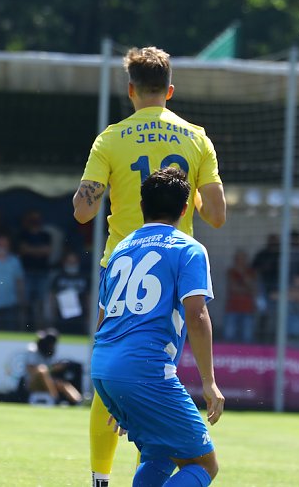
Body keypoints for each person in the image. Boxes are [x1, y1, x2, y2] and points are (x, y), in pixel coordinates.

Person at [73, 47, 226, 487]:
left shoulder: (111, 138)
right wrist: (189, 190)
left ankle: (100, 478)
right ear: (170, 91)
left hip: (120, 262)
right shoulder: (196, 137)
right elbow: (215, 215)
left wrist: (99, 190)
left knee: (113, 351)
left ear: (131, 90)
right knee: (157, 366)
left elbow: (83, 212)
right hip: (173, 267)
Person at [92, 167, 224, 486]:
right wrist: (209, 383)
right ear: (185, 209)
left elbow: (103, 317)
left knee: (161, 454)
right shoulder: (188, 248)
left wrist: (116, 388)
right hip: (144, 371)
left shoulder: (120, 249)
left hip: (104, 367)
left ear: (141, 206)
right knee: (205, 464)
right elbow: (196, 315)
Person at [24, 328, 82, 406]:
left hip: (47, 381)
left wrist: (56, 368)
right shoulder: (32, 349)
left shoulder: (50, 351)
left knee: (62, 384)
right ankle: (55, 399)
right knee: (42, 370)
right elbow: (31, 370)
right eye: (50, 344)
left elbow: (49, 369)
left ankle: (79, 402)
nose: (52, 346)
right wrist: (49, 369)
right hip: (32, 382)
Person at [17, 210, 54, 329]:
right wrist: (39, 251)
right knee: (24, 302)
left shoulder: (45, 235)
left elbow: (47, 251)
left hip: (42, 273)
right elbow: (22, 250)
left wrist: (30, 250)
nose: (35, 221)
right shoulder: (23, 234)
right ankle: (22, 329)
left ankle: (40, 329)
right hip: (27, 272)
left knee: (41, 303)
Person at [49, 250, 90, 335]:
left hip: (79, 318)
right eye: (69, 262)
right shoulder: (58, 277)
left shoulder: (84, 278)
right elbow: (52, 297)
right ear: (64, 262)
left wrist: (89, 316)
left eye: (74, 262)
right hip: (61, 317)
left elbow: (88, 298)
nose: (72, 264)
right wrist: (52, 314)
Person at [223, 249, 258, 343]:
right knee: (229, 335)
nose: (240, 261)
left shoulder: (251, 272)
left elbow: (253, 288)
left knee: (247, 336)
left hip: (248, 307)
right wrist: (246, 289)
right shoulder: (231, 272)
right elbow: (234, 288)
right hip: (233, 307)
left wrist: (243, 274)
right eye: (238, 259)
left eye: (243, 259)